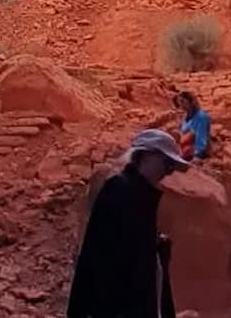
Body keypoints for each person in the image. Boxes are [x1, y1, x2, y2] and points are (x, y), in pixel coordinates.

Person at [67, 129, 186, 318]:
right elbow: (97, 254)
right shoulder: (121, 191)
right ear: (147, 156)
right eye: (167, 162)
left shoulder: (141, 195)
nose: (169, 171)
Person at [175, 91, 211, 161]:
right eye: (179, 103)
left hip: (196, 153)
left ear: (191, 101)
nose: (181, 106)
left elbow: (201, 140)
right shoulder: (185, 117)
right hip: (185, 151)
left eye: (182, 102)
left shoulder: (201, 116)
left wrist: (196, 155)